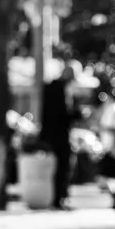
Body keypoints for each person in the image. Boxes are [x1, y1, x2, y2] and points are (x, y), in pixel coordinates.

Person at [39, 71, 74, 210]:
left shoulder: (49, 88)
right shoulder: (60, 90)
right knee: (63, 167)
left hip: (51, 135)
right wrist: (78, 114)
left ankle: (59, 198)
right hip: (59, 135)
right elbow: (62, 115)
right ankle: (59, 198)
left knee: (59, 168)